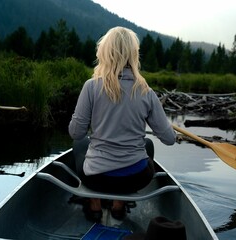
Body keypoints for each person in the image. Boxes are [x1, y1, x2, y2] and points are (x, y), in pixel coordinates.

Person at [68, 26, 176, 222]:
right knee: (148, 145)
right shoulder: (146, 92)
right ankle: (119, 205)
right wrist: (164, 123)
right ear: (133, 55)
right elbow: (169, 139)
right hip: (136, 178)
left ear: (105, 52)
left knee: (80, 144)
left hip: (97, 178)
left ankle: (95, 204)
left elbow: (76, 133)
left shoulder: (91, 87)